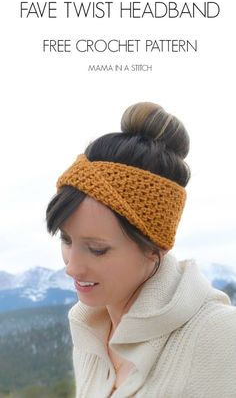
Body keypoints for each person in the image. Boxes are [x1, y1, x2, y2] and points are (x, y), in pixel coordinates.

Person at [46, 102, 236, 398]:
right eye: (67, 240)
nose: (71, 267)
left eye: (97, 249)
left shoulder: (218, 335)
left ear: (155, 247)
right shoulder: (89, 331)